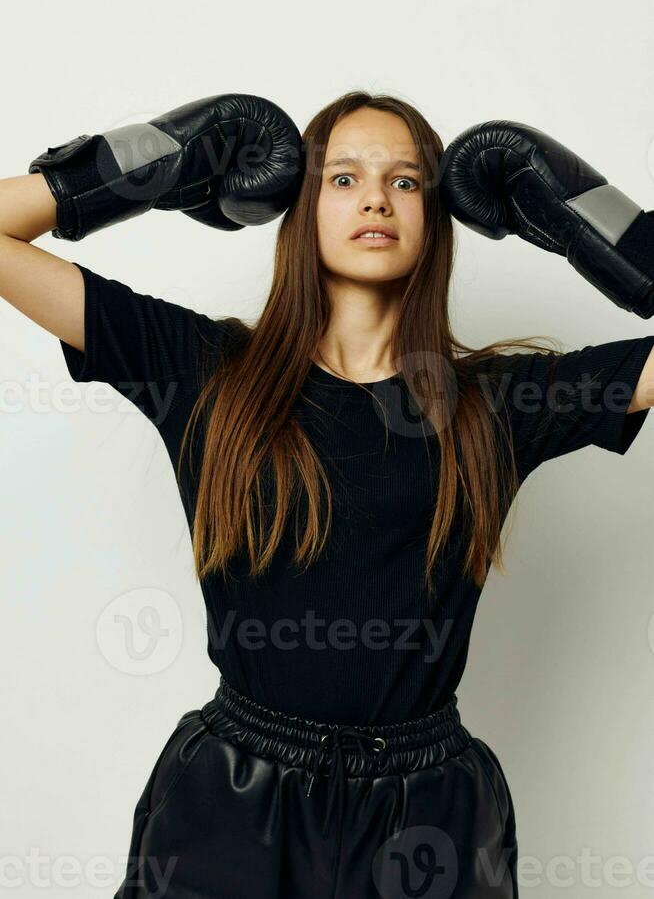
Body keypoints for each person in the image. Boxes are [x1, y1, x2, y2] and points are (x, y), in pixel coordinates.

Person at [2, 90, 653, 899]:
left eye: (407, 182)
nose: (376, 197)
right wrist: (161, 160)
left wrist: (583, 218)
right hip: (234, 808)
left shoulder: (497, 405)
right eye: (342, 178)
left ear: (436, 216)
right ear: (301, 205)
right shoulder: (204, 371)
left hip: (429, 819)